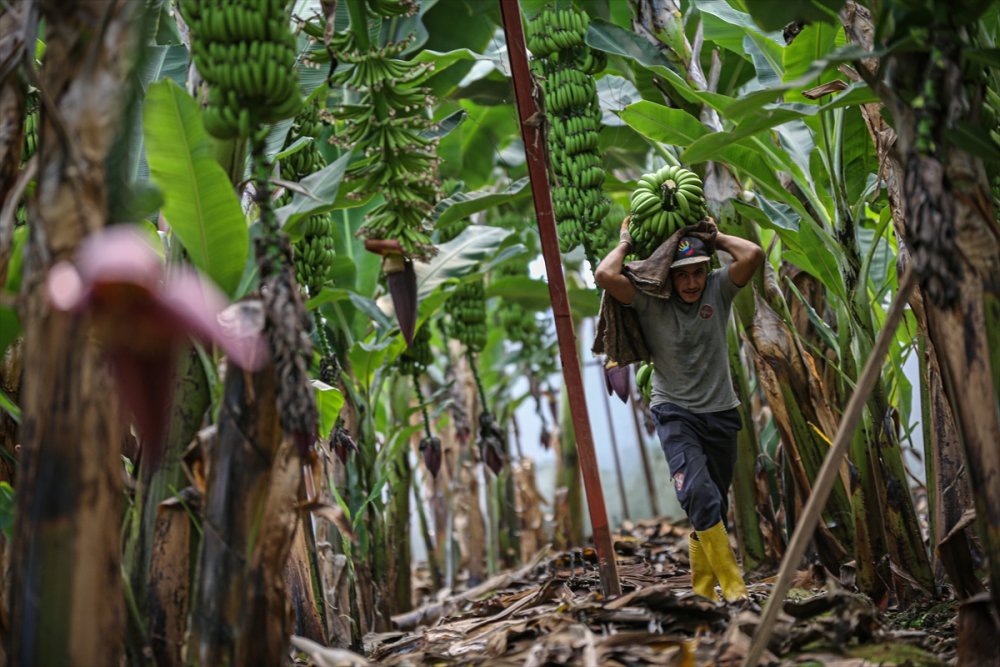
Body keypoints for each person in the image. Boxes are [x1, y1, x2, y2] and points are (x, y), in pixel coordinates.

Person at [594, 218, 764, 602]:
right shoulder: (648, 299)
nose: (691, 283)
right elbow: (606, 274)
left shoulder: (718, 290)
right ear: (667, 276)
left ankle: (703, 593)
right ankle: (735, 590)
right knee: (700, 496)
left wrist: (713, 236)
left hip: (721, 413)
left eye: (698, 273)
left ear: (708, 270)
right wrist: (625, 241)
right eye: (682, 275)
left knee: (713, 506)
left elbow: (752, 253)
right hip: (675, 413)